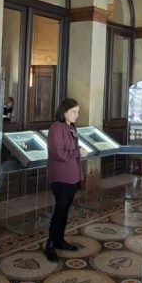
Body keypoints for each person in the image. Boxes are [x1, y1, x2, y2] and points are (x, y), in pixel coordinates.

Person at [44, 99, 87, 261]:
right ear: (64, 112)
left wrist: (78, 150)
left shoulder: (71, 127)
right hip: (61, 177)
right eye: (74, 111)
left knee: (65, 209)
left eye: (77, 111)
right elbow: (59, 153)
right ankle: (50, 244)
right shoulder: (56, 128)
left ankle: (60, 240)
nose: (77, 115)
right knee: (60, 209)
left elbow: (71, 148)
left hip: (72, 175)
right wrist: (78, 152)